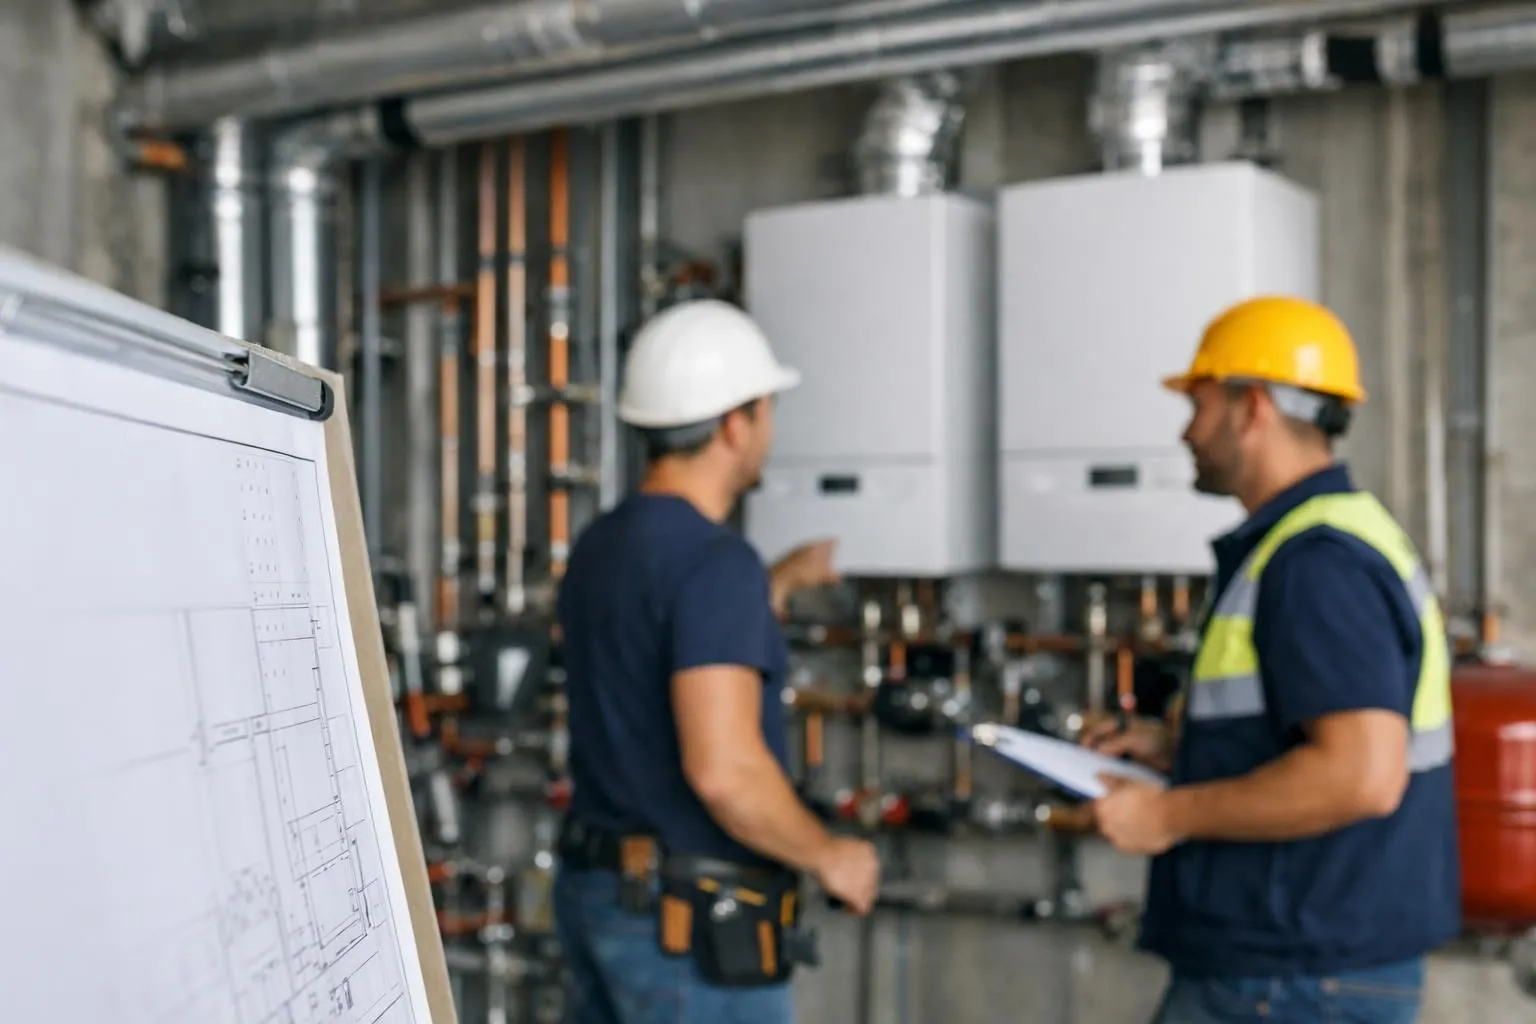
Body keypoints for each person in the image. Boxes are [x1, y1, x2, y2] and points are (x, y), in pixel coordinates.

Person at [1083, 296, 1460, 1024]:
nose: (1186, 431)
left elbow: (1360, 774)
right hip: (1307, 966)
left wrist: (1170, 814)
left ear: (1249, 406)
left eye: (1197, 404)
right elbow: (1314, 730)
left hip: (1291, 978)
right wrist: (1184, 751)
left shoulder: (1314, 562)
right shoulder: (1328, 537)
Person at [553, 298, 881, 1024]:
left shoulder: (602, 546)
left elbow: (657, 646)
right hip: (688, 927)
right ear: (736, 424)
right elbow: (725, 773)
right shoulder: (715, 563)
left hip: (598, 896)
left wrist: (781, 583)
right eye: (765, 410)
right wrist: (829, 854)